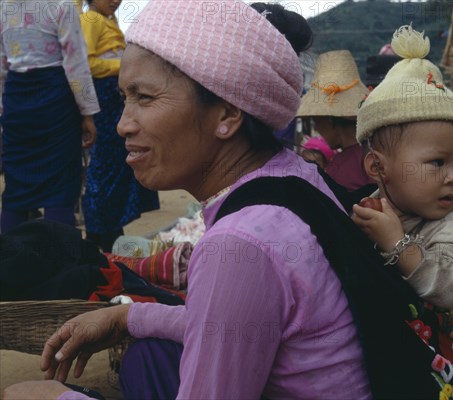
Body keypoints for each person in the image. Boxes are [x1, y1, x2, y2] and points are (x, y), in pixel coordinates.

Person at [2, 1, 371, 399]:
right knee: (148, 357)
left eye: (144, 97)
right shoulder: (297, 176)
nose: (124, 123)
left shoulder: (238, 243)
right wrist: (128, 315)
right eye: (124, 97)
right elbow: (221, 324)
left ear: (227, 115)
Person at [352, 25, 453, 399]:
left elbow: (450, 289)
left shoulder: (449, 225)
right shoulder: (374, 206)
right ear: (378, 168)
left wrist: (398, 245)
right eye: (437, 162)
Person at [0, 0, 99, 233]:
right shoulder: (61, 5)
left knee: (16, 188)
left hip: (17, 101)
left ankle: (7, 262)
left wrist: (4, 114)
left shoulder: (4, 7)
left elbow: (1, 68)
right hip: (55, 102)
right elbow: (76, 63)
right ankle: (61, 263)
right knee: (60, 187)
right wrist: (88, 113)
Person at [80, 0, 159, 252]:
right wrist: (122, 65)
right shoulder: (91, 20)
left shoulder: (108, 21)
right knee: (104, 168)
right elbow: (87, 63)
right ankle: (98, 232)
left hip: (114, 102)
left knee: (115, 166)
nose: (115, 1)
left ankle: (110, 227)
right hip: (103, 102)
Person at [297, 50, 372, 191]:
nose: (317, 129)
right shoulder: (377, 150)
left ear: (330, 120)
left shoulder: (341, 169)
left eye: (316, 122)